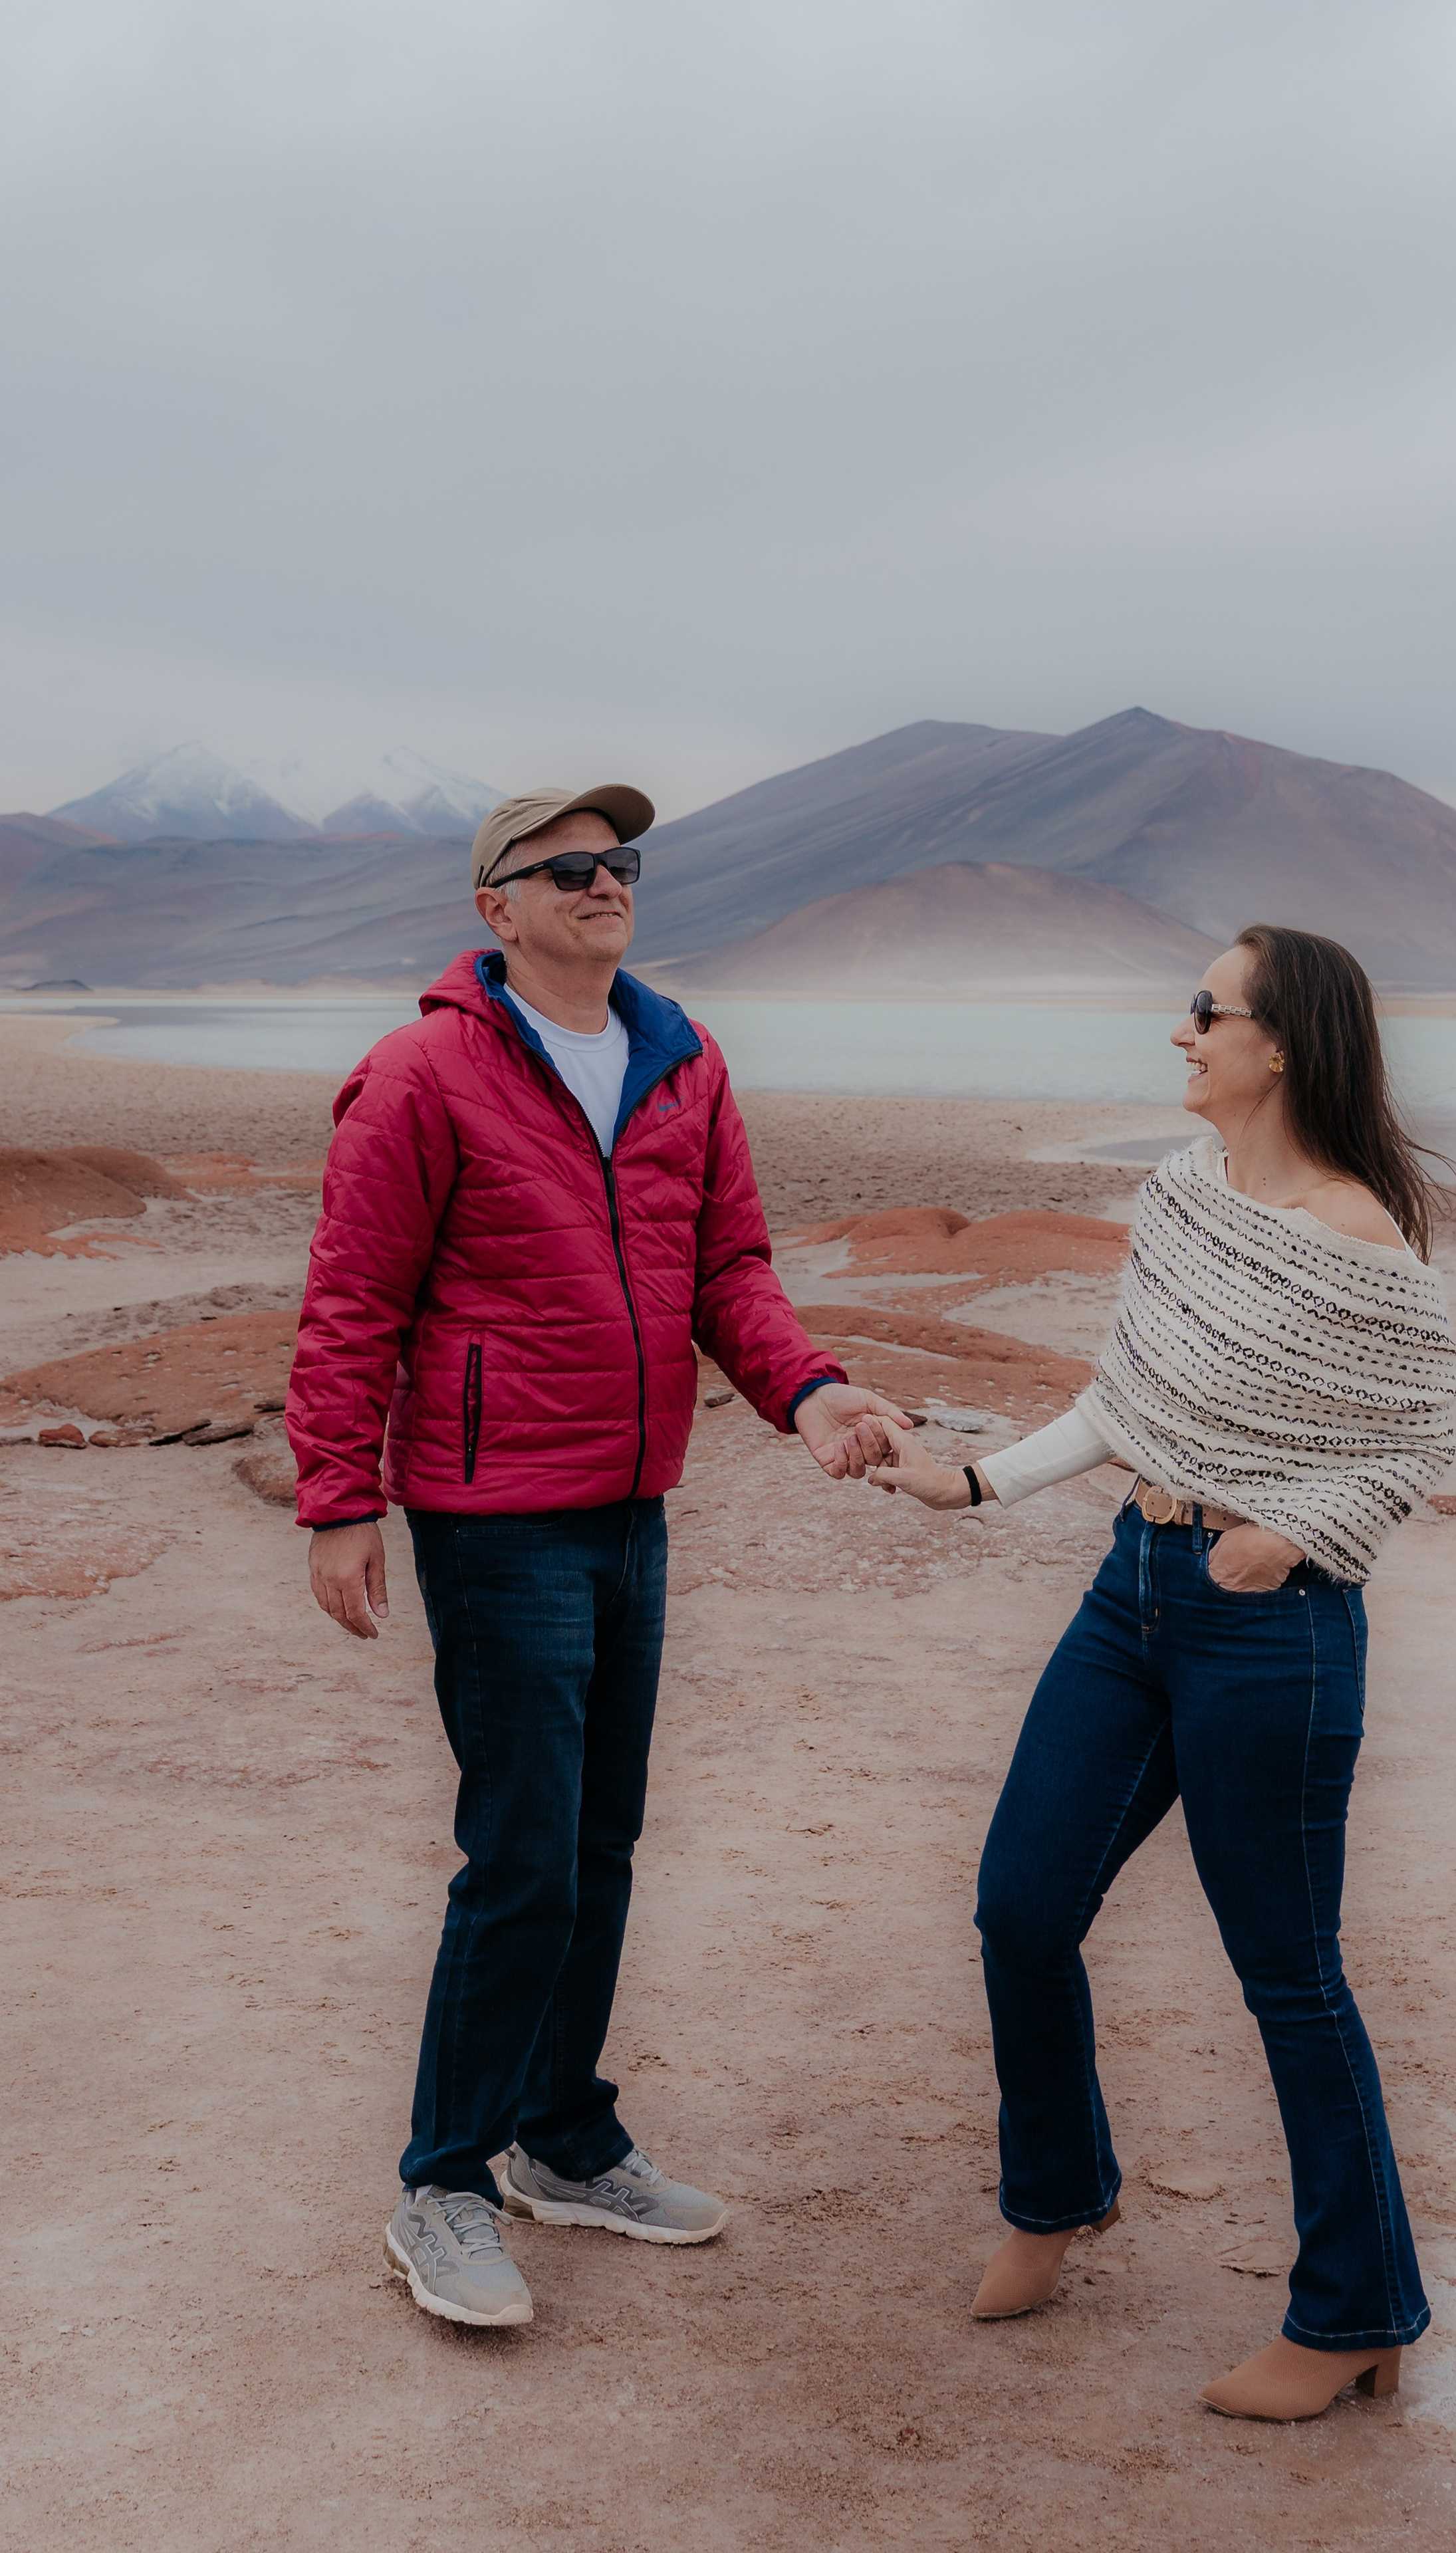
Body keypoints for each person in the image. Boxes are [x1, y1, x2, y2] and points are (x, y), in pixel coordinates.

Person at [287, 781, 908, 2329]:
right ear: (493, 910)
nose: (601, 882)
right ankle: (441, 2181)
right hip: (496, 1522)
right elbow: (353, 1299)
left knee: (601, 1848)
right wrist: (336, 1498)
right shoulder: (423, 1071)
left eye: (619, 861)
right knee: (520, 1861)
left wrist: (810, 1392)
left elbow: (732, 1272)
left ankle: (559, 2141)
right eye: (563, 867)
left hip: (633, 1510)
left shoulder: (679, 1062)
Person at [867, 925, 1456, 2422]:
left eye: (1205, 1011)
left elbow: (1411, 1444)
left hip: (1273, 1628)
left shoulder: (1356, 1241)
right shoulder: (1181, 1195)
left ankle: (1352, 2315)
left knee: (1286, 1976)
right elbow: (1124, 1396)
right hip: (1127, 1594)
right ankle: (1055, 2197)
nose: (1179, 1032)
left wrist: (1285, 1534)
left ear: (1280, 1043)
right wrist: (976, 1485)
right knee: (1019, 1905)